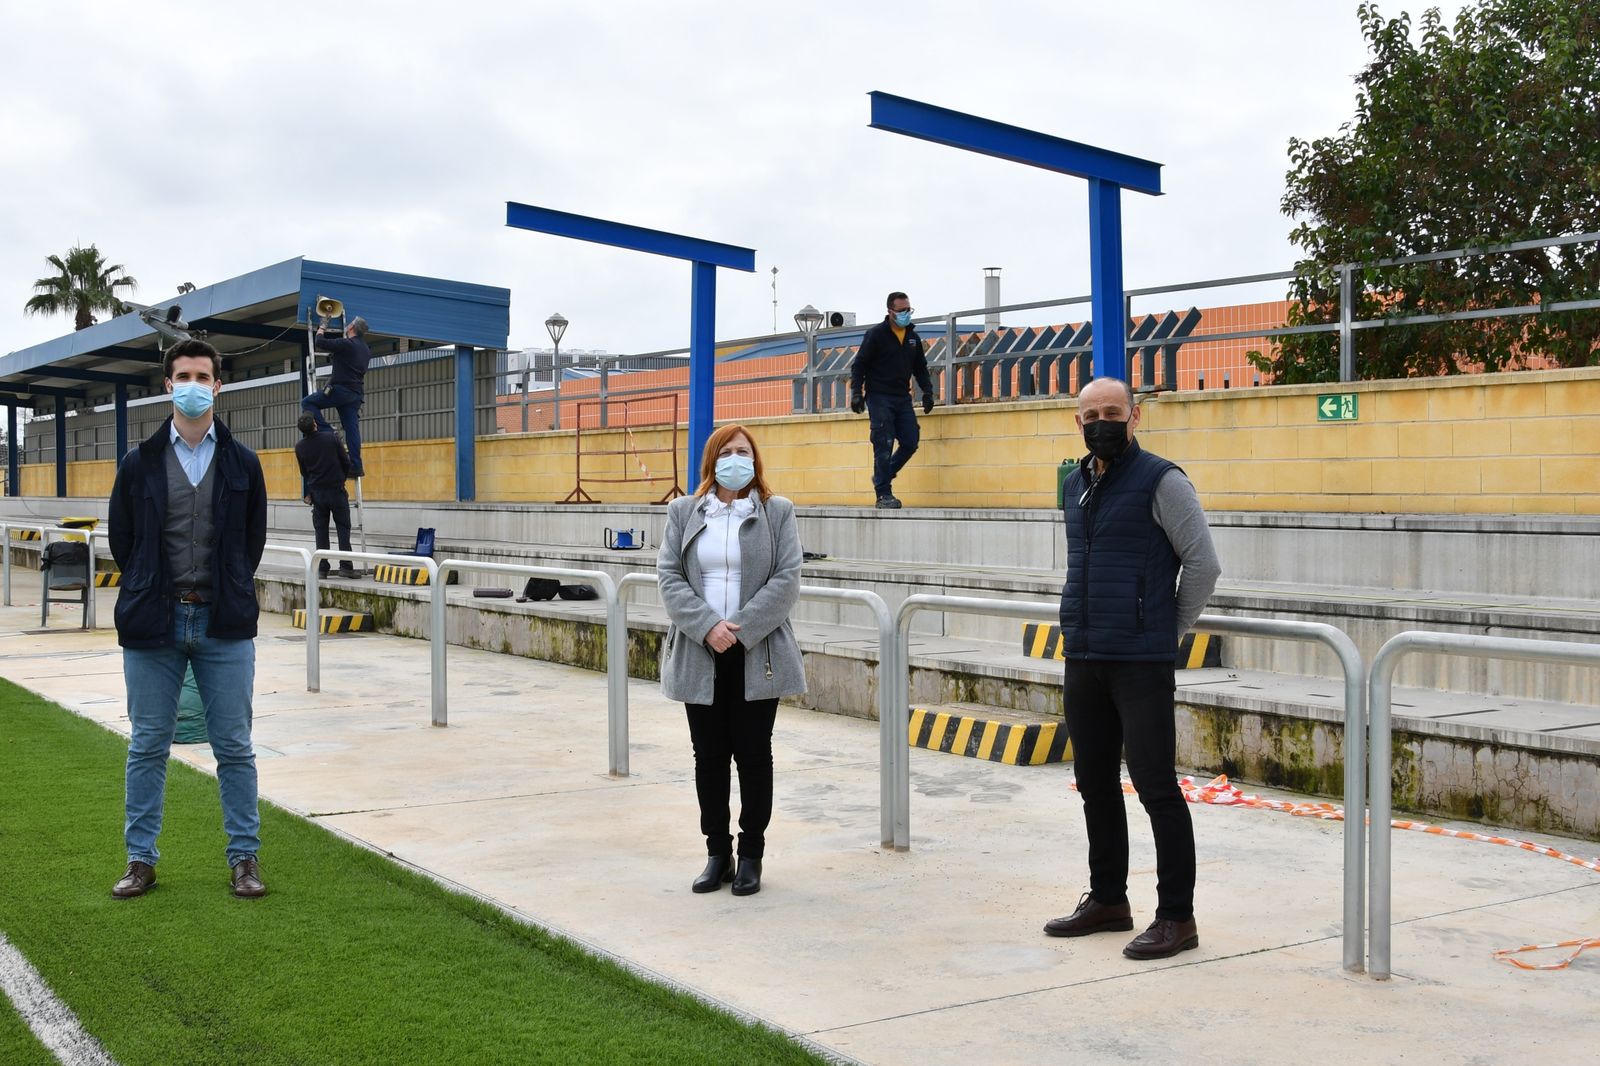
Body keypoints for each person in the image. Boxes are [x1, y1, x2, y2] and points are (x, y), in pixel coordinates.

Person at [1045, 376, 1221, 959]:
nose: (1102, 421)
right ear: (1078, 423)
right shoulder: (1075, 484)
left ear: (1135, 416)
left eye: (1112, 411)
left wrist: (1165, 629)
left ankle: (1177, 916)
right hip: (1086, 653)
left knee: (1155, 787)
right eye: (1091, 413)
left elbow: (1202, 563)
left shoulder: (1163, 480)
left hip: (1140, 660)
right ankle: (1108, 899)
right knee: (1094, 784)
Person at [107, 338, 269, 899]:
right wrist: (153, 586)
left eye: (204, 376)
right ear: (167, 384)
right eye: (184, 376)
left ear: (218, 386)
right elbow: (123, 540)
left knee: (235, 746)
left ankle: (244, 858)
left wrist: (223, 587)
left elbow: (253, 541)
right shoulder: (139, 463)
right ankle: (140, 859)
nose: (194, 385)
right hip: (155, 623)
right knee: (148, 744)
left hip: (223, 623)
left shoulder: (243, 462)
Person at [658, 424, 805, 897]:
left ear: (754, 460)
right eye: (727, 452)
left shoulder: (776, 512)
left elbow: (787, 578)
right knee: (709, 758)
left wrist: (739, 629)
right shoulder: (684, 511)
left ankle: (752, 855)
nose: (735, 459)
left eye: (743, 451)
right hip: (700, 653)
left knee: (754, 757)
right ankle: (717, 852)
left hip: (755, 653)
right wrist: (707, 626)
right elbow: (669, 577)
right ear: (712, 460)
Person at [849, 291, 935, 509]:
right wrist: (857, 392)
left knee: (910, 441)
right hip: (879, 397)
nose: (906, 314)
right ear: (890, 312)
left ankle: (884, 475)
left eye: (909, 310)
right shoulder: (876, 335)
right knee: (884, 442)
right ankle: (883, 494)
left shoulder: (913, 338)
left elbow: (920, 368)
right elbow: (859, 364)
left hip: (902, 397)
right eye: (901, 310)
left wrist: (927, 392)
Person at [302, 315, 372, 476]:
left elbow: (320, 342)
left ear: (351, 328)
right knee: (351, 429)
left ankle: (327, 433)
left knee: (307, 403)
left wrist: (322, 327)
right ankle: (356, 466)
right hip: (356, 394)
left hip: (342, 390)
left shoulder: (347, 344)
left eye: (350, 324)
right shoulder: (366, 349)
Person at [293, 413, 356, 578]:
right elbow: (345, 461)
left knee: (321, 530)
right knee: (343, 527)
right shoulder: (331, 438)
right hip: (336, 489)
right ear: (315, 424)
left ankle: (322, 568)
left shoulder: (300, 447)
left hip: (317, 493)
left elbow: (304, 472)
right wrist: (341, 478)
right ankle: (346, 566)